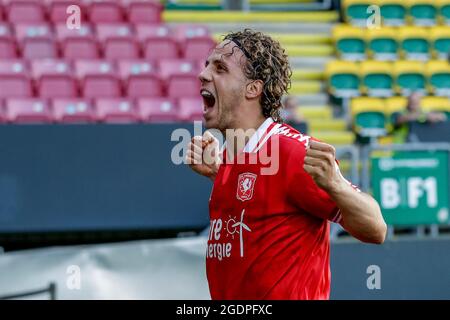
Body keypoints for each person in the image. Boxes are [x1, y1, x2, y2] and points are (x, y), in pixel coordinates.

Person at [185, 29, 386, 300]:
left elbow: (376, 228)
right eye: (207, 65)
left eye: (220, 68)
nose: (204, 74)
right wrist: (219, 173)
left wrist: (337, 184)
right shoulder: (231, 160)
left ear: (253, 89)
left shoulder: (291, 152)